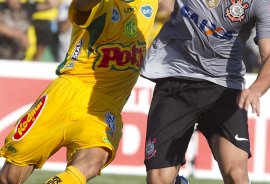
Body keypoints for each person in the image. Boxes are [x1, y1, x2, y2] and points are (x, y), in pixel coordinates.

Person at [0, 0, 157, 183]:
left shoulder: (151, 2)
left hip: (105, 107)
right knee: (10, 177)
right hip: (69, 93)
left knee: (92, 162)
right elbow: (82, 5)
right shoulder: (102, 4)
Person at [141, 0, 270, 183]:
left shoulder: (261, 3)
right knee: (159, 180)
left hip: (225, 88)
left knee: (236, 175)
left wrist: (256, 90)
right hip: (176, 78)